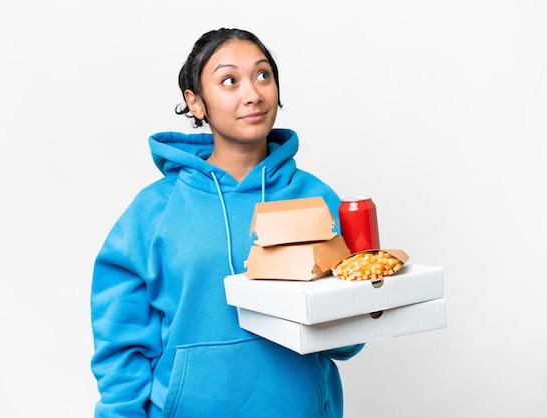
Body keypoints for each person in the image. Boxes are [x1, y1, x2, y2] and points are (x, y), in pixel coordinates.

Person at [90, 27, 364, 418]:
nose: (252, 93)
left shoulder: (318, 199)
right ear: (196, 103)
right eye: (229, 80)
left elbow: (347, 343)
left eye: (263, 75)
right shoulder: (152, 212)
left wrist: (364, 296)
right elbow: (120, 346)